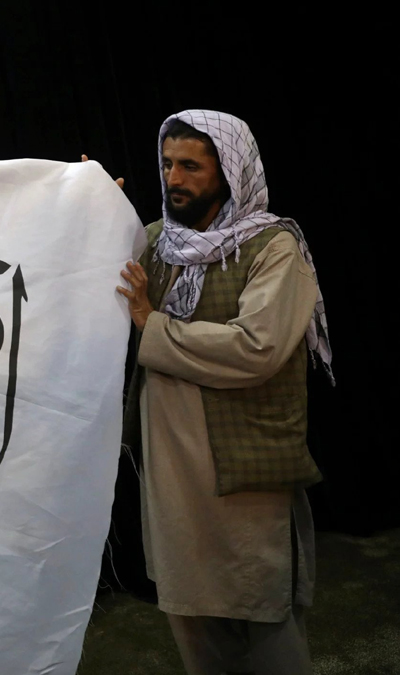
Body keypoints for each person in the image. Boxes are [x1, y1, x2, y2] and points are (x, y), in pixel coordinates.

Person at [117, 111, 333, 675]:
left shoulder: (273, 247)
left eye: (191, 166)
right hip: (171, 475)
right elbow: (93, 282)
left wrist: (152, 324)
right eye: (168, 164)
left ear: (230, 173)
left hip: (243, 473)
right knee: (193, 623)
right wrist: (91, 211)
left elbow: (257, 348)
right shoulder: (157, 242)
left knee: (263, 616)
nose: (174, 179)